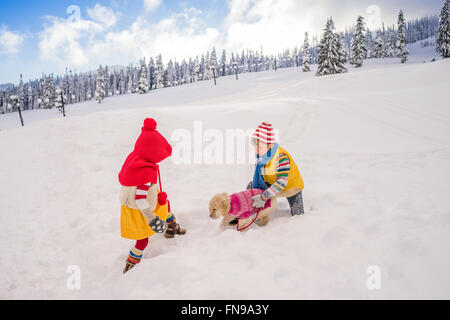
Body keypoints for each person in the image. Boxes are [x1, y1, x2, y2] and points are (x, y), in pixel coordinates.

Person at [118, 118, 186, 273]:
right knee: (142, 240)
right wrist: (151, 218)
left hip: (140, 205)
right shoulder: (146, 172)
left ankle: (171, 227)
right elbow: (140, 198)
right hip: (140, 210)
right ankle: (131, 263)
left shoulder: (134, 159)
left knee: (165, 203)